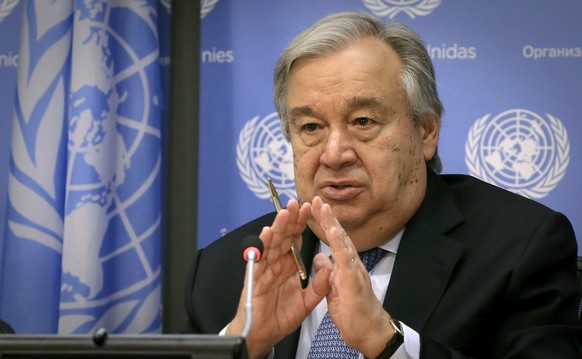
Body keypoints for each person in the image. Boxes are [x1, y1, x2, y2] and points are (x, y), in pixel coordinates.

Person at [185, 11, 581, 358]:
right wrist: (239, 350)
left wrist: (385, 343)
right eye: (311, 127)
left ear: (426, 131)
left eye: (363, 122)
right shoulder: (229, 271)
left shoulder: (519, 249)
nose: (334, 153)